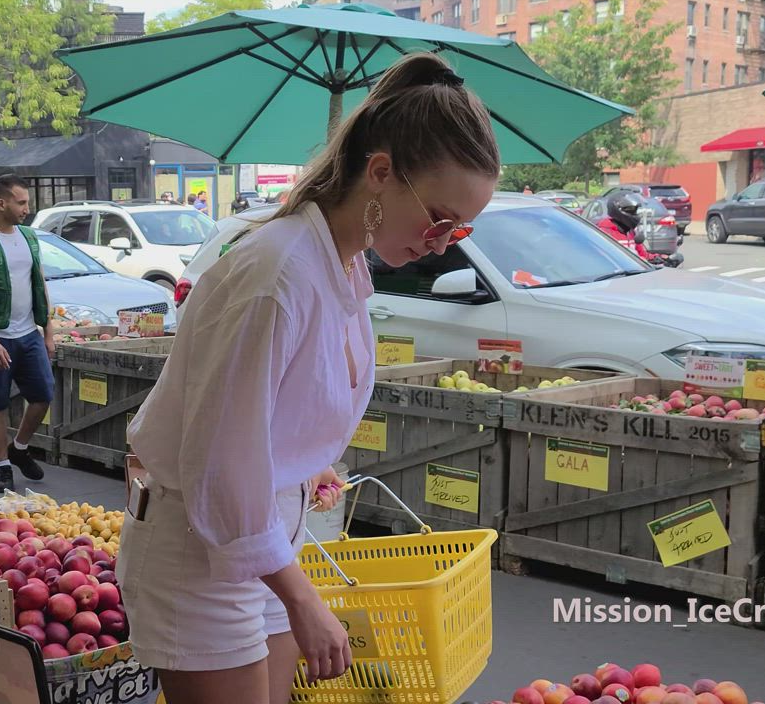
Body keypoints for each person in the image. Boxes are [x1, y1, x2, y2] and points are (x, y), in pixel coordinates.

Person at [118, 52, 500, 703]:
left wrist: (301, 463)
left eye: (460, 229)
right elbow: (219, 463)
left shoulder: (340, 264)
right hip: (200, 548)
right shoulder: (279, 274)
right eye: (439, 218)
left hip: (257, 542)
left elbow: (264, 418)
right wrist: (304, 600)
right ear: (380, 172)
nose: (443, 243)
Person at [0, 175, 57, 493]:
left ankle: (19, 448)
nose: (27, 209)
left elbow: (40, 281)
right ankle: (3, 466)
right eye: (21, 202)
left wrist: (48, 330)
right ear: (1, 203)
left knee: (44, 393)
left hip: (28, 333)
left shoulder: (29, 237)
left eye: (28, 202)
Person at [596, 191, 650, 259]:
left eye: (635, 211)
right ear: (618, 210)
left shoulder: (630, 232)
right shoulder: (604, 233)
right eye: (631, 210)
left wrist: (659, 257)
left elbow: (642, 255)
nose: (635, 214)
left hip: (634, 269)